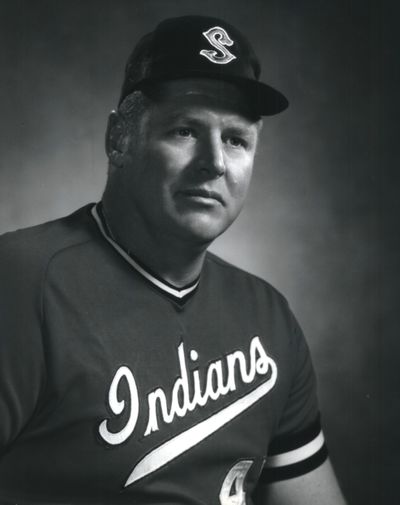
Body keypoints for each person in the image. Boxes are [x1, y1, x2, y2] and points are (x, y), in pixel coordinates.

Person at [0, 15, 347, 505]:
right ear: (119, 137)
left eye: (236, 139)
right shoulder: (20, 283)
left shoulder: (269, 318)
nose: (215, 161)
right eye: (185, 130)